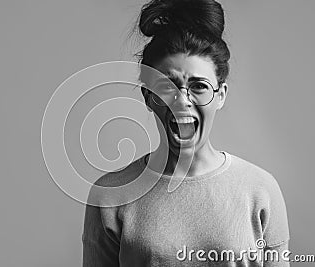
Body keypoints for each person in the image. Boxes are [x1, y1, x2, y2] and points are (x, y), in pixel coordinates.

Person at [82, 0, 290, 266]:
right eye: (166, 86)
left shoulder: (260, 190)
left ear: (221, 95)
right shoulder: (110, 195)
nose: (182, 100)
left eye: (199, 86)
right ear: (148, 96)